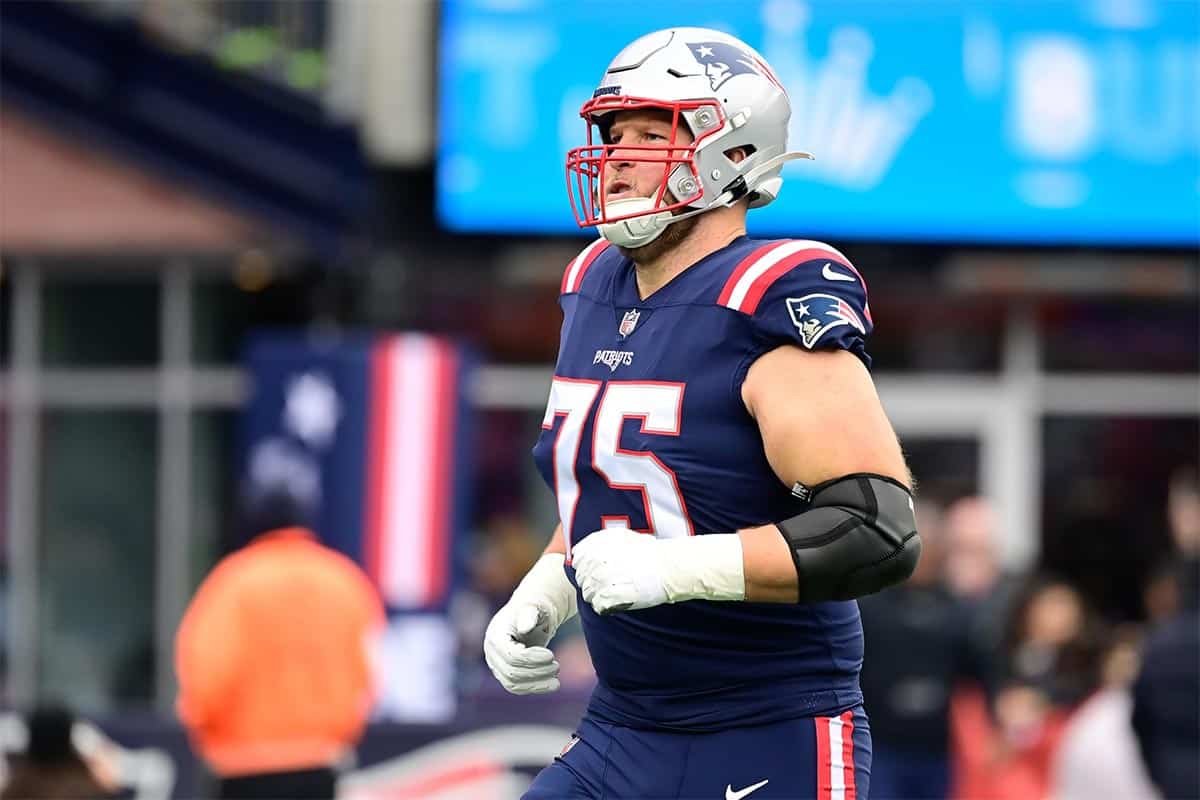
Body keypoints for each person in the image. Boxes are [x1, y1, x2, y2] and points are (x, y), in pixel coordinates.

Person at [483, 28, 920, 799]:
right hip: (622, 726)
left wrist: (681, 570)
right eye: (613, 134)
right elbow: (622, 484)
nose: (618, 155)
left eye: (652, 134)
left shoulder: (768, 294)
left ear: (735, 153)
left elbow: (876, 530)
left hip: (767, 727)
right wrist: (551, 582)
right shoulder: (592, 285)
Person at [175, 487, 385, 799]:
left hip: (242, 768)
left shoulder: (233, 583)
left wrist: (201, 728)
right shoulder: (344, 582)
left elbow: (207, 677)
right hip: (321, 764)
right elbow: (370, 674)